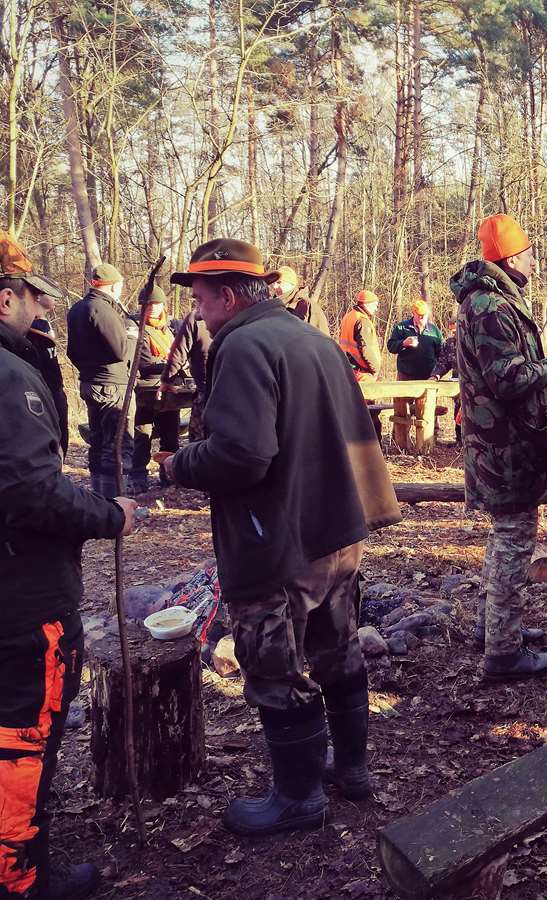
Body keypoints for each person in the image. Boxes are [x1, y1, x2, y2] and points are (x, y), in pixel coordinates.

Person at [160, 238, 402, 835]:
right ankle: (352, 769)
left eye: (199, 298)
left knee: (273, 666)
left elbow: (243, 455)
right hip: (336, 531)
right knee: (336, 648)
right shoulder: (311, 337)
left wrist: (179, 464)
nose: (196, 311)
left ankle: (298, 798)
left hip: (279, 541)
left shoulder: (243, 345)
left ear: (227, 296)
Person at [0, 230, 137, 900]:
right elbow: (31, 490)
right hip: (22, 595)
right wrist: (109, 515)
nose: (44, 309)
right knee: (23, 732)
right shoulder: (7, 376)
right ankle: (18, 877)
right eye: (33, 297)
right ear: (5, 299)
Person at [452, 213, 547, 678]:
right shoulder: (490, 305)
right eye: (528, 254)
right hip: (504, 451)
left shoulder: (492, 299)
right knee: (512, 543)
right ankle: (503, 653)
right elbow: (506, 380)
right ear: (511, 258)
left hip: (505, 446)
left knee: (503, 539)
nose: (533, 261)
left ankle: (494, 629)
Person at [66, 261, 136, 497]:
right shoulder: (103, 309)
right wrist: (130, 335)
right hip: (112, 386)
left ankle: (99, 500)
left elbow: (72, 352)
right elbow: (120, 350)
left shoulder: (77, 309)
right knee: (117, 444)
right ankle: (115, 503)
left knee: (97, 442)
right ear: (114, 286)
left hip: (90, 384)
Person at [131, 285, 179, 491]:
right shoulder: (135, 327)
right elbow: (143, 363)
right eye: (148, 304)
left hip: (170, 389)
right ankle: (138, 477)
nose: (152, 308)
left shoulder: (171, 328)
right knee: (142, 435)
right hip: (145, 389)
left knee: (170, 435)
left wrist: (173, 365)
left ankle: (169, 475)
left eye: (156, 304)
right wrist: (172, 364)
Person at [387, 300, 444, 445]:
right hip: (406, 374)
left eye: (424, 315)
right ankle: (399, 437)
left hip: (428, 375)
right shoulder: (402, 327)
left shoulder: (434, 330)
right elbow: (391, 346)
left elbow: (441, 352)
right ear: (413, 313)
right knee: (403, 405)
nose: (422, 317)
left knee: (429, 406)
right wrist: (403, 343)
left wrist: (437, 372)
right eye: (419, 315)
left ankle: (432, 436)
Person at [163, 304, 213, 442]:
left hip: (206, 393)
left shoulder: (196, 316)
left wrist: (167, 380)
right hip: (239, 395)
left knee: (199, 443)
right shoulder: (245, 314)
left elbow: (179, 352)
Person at [338, 289, 384, 442]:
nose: (376, 308)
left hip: (348, 369)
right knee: (369, 412)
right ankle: (372, 446)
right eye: (375, 305)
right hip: (363, 372)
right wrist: (374, 370)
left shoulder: (348, 317)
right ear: (367, 304)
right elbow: (367, 349)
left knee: (352, 410)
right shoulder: (363, 321)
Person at [27, 317, 70, 453]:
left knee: (61, 432)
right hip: (38, 393)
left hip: (56, 390)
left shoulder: (44, 323)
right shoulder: (26, 328)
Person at [274, 265, 330, 336]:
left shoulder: (309, 308)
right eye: (274, 283)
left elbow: (323, 340)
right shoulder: (272, 308)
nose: (274, 286)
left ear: (291, 284)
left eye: (279, 282)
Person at [432, 321, 461, 445]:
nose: (454, 334)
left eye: (456, 331)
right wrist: (435, 375)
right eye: (452, 331)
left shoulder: (472, 341)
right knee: (458, 411)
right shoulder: (449, 344)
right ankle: (460, 441)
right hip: (456, 384)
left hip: (474, 385)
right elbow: (443, 363)